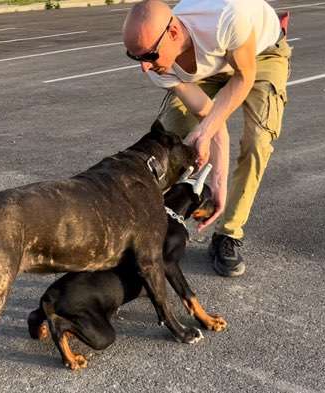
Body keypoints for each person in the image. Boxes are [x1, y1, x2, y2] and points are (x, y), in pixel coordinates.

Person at [123, 0, 291, 277]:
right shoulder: (158, 65)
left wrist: (208, 133)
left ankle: (229, 233)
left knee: (257, 140)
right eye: (135, 56)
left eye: (149, 55)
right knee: (170, 134)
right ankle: (149, 228)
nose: (144, 67)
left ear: (174, 32)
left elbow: (243, 77)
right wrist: (218, 181)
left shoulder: (227, 18)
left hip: (259, 55)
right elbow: (209, 117)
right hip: (204, 68)